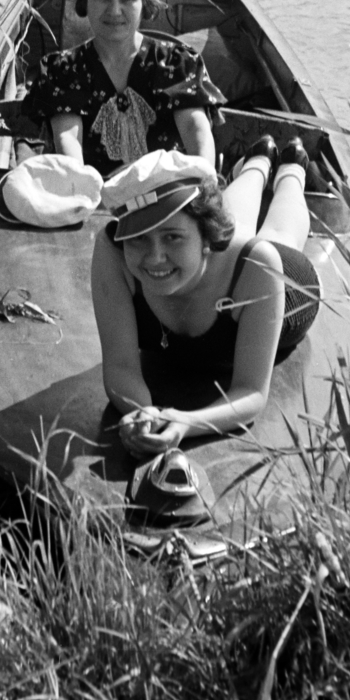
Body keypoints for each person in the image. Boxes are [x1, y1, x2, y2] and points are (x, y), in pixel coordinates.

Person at [90, 139, 321, 510]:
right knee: (237, 217)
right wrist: (144, 413)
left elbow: (250, 393)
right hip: (221, 257)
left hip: (284, 286)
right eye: (140, 238)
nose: (155, 257)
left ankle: (292, 167)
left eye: (172, 237)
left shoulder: (259, 266)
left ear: (206, 237)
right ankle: (257, 159)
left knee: (279, 234)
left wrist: (186, 423)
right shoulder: (112, 249)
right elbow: (120, 365)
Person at [24, 0, 224, 176]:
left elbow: (194, 127)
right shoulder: (65, 70)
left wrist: (203, 180)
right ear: (85, 2)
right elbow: (68, 138)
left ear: (144, 4)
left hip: (167, 188)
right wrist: (82, 189)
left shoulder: (174, 64)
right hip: (93, 189)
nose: (115, 10)